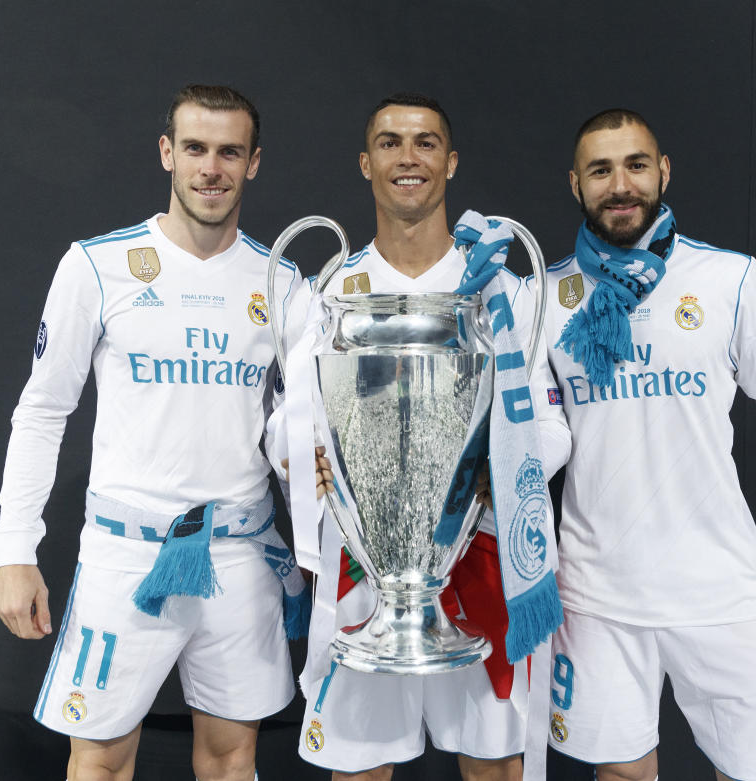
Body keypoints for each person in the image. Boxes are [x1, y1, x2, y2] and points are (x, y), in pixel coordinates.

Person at [0, 84, 304, 781]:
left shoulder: (282, 280)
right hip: (126, 555)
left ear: (253, 163)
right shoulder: (96, 266)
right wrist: (13, 546)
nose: (210, 168)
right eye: (195, 148)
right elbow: (43, 410)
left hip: (240, 555)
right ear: (168, 153)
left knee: (233, 757)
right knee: (100, 759)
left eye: (230, 152)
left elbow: (303, 434)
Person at [268, 93, 571, 781]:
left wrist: (503, 465)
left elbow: (551, 426)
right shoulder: (331, 291)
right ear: (366, 162)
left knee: (495, 769)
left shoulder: (501, 291)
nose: (409, 157)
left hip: (478, 561)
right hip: (361, 576)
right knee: (359, 772)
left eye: (426, 142)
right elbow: (283, 421)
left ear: (451, 161)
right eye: (390, 142)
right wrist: (300, 458)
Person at [542, 109, 756, 781]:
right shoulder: (544, 295)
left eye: (636, 165)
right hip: (597, 592)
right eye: (601, 169)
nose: (621, 184)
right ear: (576, 183)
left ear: (663, 171)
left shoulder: (729, 279)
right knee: (619, 775)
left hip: (718, 585)